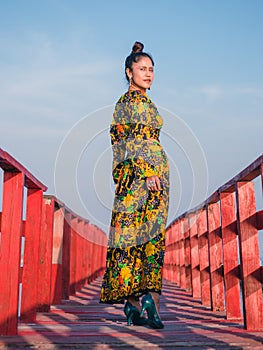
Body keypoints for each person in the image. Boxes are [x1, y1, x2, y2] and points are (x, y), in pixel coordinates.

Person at [100, 41, 169, 329]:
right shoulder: (128, 103)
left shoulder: (145, 103)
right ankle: (145, 301)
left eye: (151, 69)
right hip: (142, 180)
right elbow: (126, 142)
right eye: (142, 69)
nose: (148, 73)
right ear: (129, 72)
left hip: (149, 178)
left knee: (138, 240)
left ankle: (134, 306)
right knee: (142, 240)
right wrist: (146, 172)